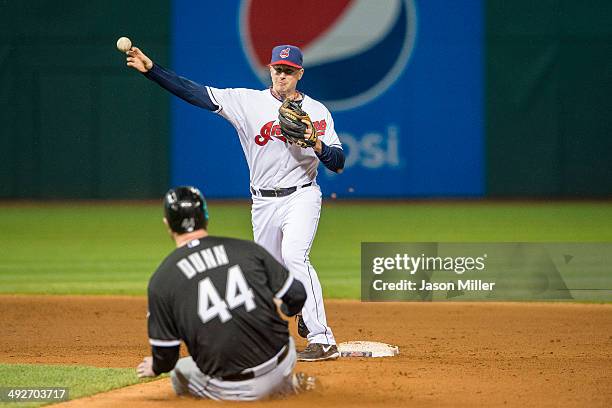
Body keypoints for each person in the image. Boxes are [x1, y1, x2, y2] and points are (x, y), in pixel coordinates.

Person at [126, 44, 344, 361]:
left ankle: (323, 339)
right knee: (269, 274)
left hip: (303, 193)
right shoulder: (247, 102)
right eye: (277, 69)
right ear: (270, 70)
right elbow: (194, 93)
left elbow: (337, 163)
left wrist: (316, 141)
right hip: (263, 202)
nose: (282, 75)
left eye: (288, 70)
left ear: (299, 74)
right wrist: (152, 70)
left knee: (295, 256)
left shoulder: (318, 111)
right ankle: (294, 311)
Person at [136, 186, 316, 401]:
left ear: (167, 224)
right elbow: (297, 295)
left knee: (179, 371)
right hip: (284, 362)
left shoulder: (162, 281)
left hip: (235, 389)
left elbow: (165, 358)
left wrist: (156, 367)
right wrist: (285, 309)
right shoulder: (247, 249)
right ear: (205, 217)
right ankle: (286, 384)